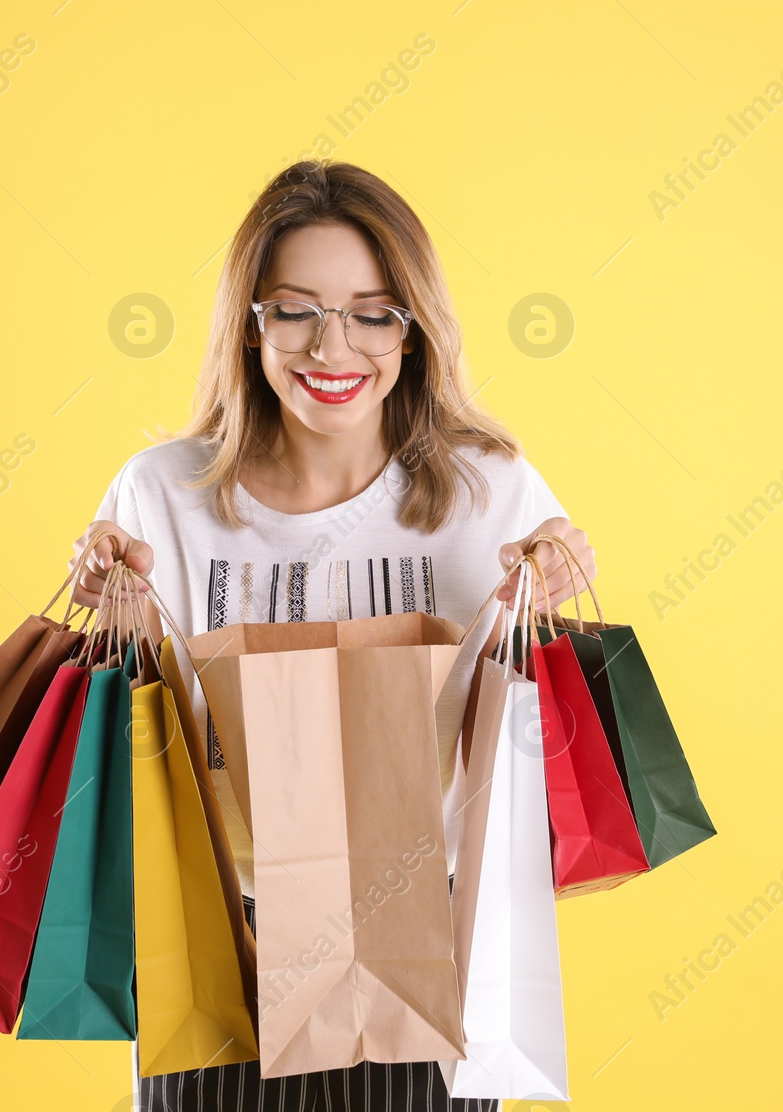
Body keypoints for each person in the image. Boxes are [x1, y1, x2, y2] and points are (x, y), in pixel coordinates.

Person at [70, 161, 594, 1111]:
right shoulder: (160, 494)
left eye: (371, 311)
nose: (333, 345)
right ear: (251, 322)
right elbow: (123, 747)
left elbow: (533, 741)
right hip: (218, 942)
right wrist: (100, 606)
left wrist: (559, 580)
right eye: (297, 310)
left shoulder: (492, 491)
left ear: (414, 326)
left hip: (427, 945)